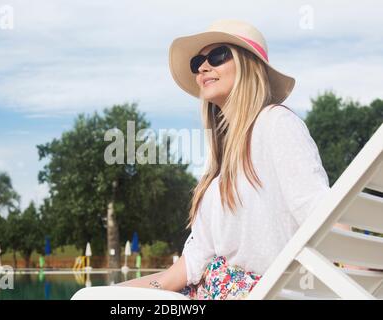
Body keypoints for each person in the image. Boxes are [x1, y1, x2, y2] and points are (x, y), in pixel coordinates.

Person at [116, 19, 331, 300]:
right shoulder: (219, 167)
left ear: (247, 64)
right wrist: (115, 291)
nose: (204, 68)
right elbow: (192, 263)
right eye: (197, 62)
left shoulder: (276, 123)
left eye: (217, 56)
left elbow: (317, 208)